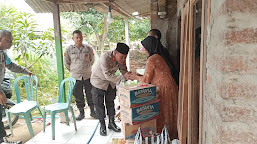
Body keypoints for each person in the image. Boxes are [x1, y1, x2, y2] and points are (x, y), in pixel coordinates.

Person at [130, 36, 178, 139]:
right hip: (171, 86)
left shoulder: (152, 59)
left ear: (149, 47)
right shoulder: (160, 56)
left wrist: (134, 76)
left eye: (144, 48)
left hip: (163, 89)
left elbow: (146, 80)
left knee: (162, 114)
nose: (144, 51)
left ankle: (164, 137)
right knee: (170, 113)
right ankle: (172, 137)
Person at [90, 43, 131, 136]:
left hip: (110, 83)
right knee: (99, 104)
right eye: (122, 57)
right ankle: (102, 126)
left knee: (110, 103)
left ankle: (111, 123)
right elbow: (107, 75)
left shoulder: (121, 59)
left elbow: (123, 70)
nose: (123, 59)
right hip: (98, 82)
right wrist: (123, 77)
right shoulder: (105, 57)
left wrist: (129, 75)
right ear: (115, 53)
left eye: (125, 57)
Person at [0, 30, 33, 144]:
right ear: (0, 39)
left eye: (12, 41)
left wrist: (25, 71)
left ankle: (2, 140)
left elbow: (11, 65)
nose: (11, 43)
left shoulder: (3, 53)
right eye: (8, 41)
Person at [64, 30, 96, 120]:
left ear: (82, 37)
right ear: (73, 38)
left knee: (90, 93)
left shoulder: (88, 48)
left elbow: (92, 60)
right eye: (77, 37)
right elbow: (66, 62)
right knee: (78, 94)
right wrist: (74, 70)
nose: (79, 39)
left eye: (80, 37)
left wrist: (86, 68)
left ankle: (93, 111)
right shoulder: (69, 49)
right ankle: (81, 113)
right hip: (76, 76)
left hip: (87, 75)